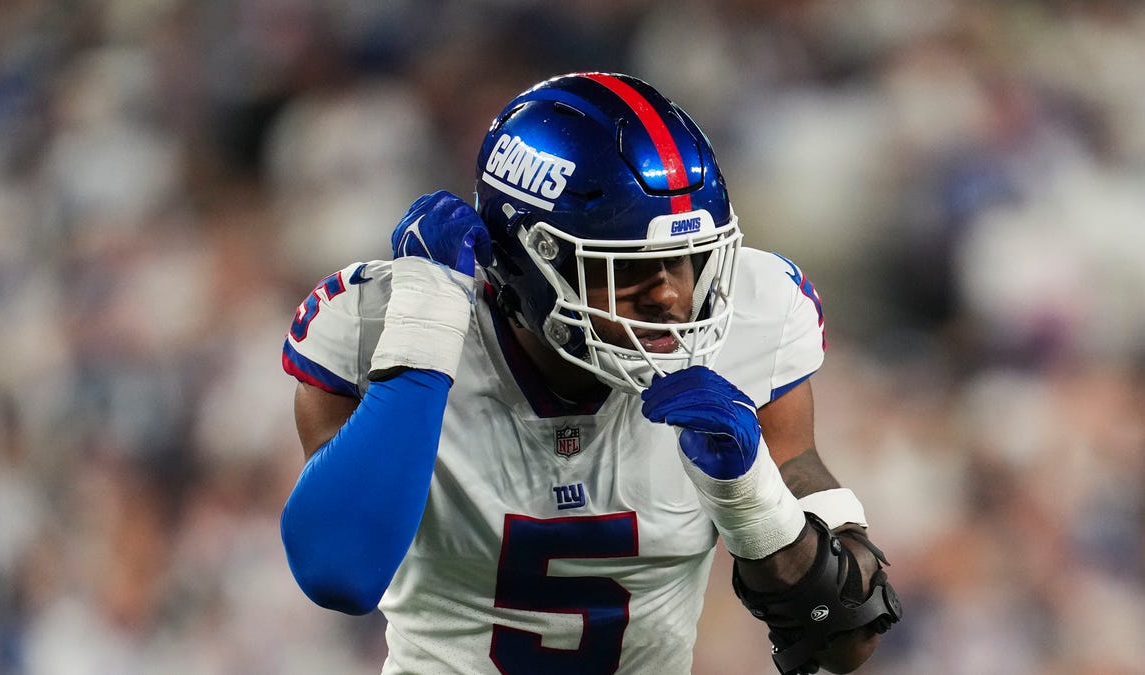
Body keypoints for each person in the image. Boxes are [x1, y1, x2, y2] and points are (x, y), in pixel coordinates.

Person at [278, 72, 901, 675]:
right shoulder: (388, 322)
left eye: (687, 260)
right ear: (523, 263)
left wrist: (752, 497)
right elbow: (340, 571)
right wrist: (422, 340)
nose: (669, 296)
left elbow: (846, 642)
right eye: (624, 269)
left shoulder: (752, 323)